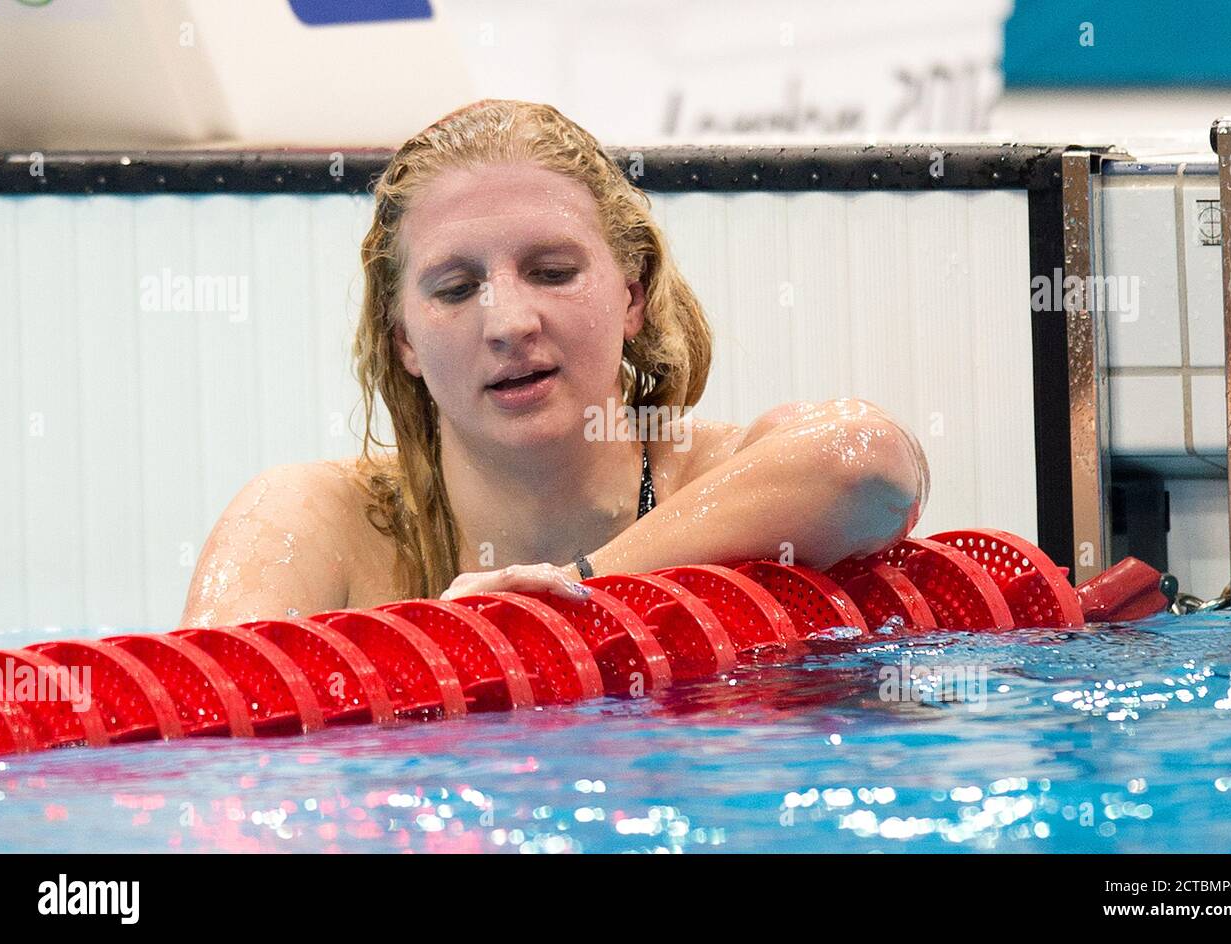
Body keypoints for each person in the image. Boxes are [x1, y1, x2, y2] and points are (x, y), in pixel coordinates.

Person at [179, 99, 930, 628]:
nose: (508, 323)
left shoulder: (715, 481)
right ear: (402, 337)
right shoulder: (319, 525)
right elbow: (205, 734)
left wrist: (578, 588)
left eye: (551, 271)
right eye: (456, 288)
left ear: (632, 295)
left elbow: (868, 462)